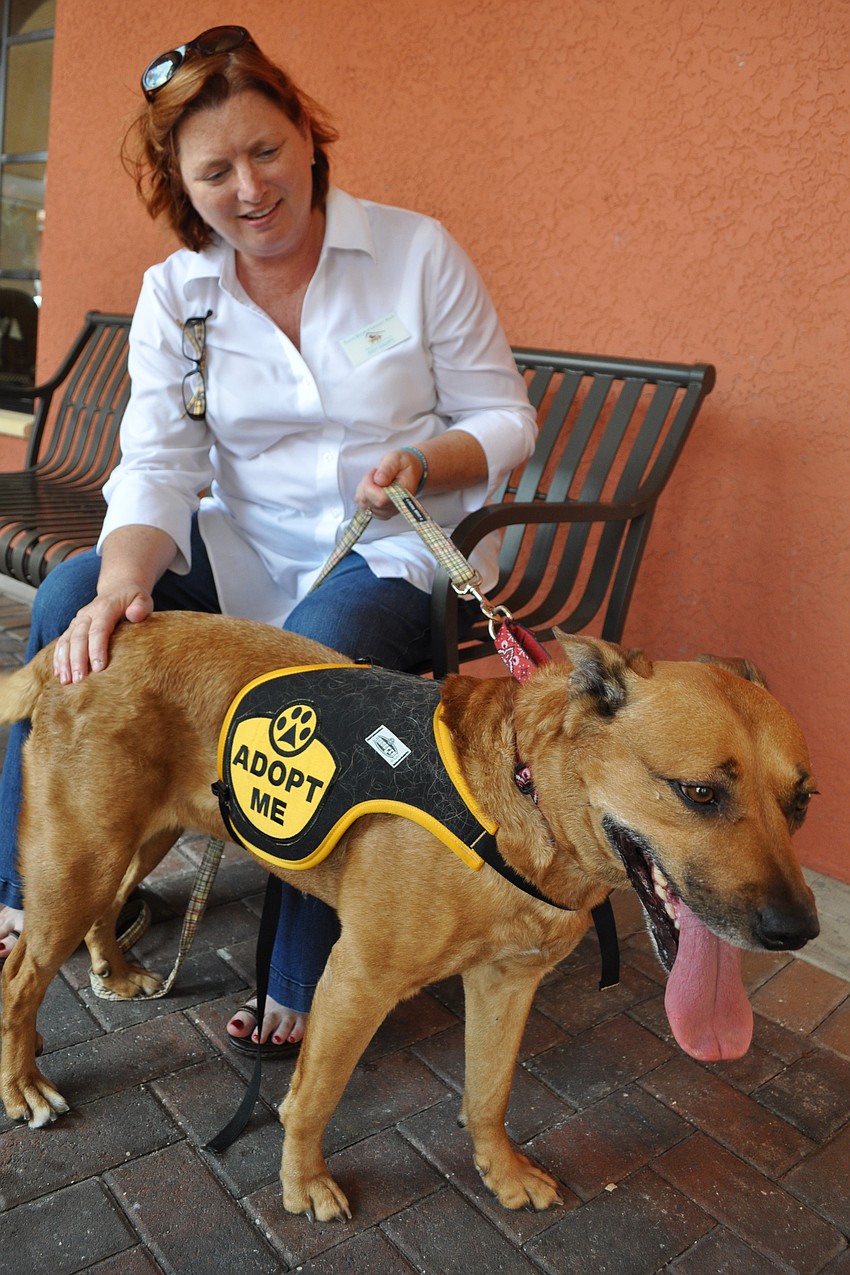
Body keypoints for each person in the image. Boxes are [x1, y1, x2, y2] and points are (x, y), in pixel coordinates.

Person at [0, 26, 536, 1054]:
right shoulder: (179, 293)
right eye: (214, 172)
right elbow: (157, 462)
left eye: (265, 151)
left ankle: (302, 973)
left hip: (385, 553)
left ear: (307, 136)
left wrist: (426, 461)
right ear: (180, 186)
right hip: (238, 542)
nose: (248, 188)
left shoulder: (413, 253)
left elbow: (507, 419)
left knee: (313, 666)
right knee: (72, 602)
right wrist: (122, 581)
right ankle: (30, 894)